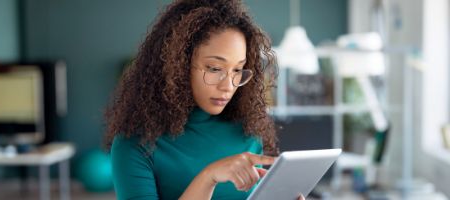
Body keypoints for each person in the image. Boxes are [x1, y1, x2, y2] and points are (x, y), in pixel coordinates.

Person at [105, 0, 305, 199]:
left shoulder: (248, 133)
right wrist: (208, 177)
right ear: (179, 66)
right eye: (215, 69)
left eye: (237, 70)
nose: (228, 86)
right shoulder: (135, 144)